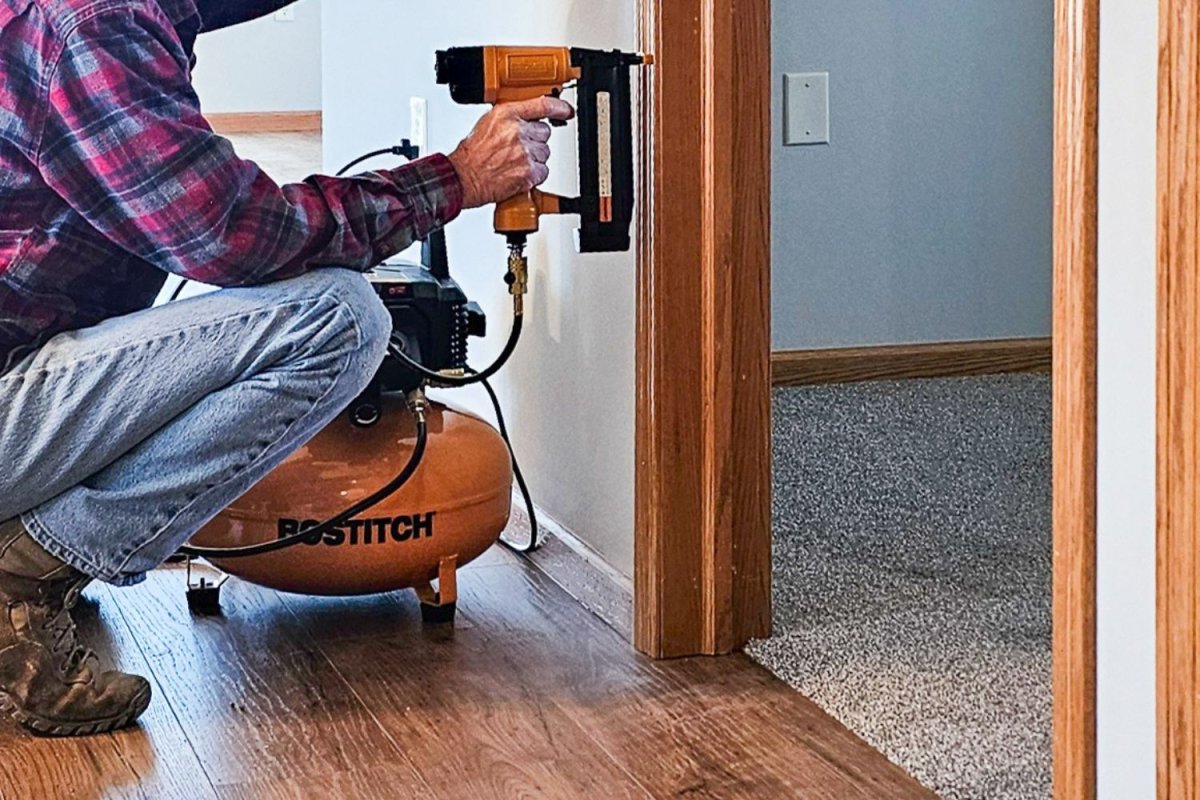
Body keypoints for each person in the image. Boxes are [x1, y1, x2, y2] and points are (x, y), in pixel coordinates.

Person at [0, 0, 573, 736]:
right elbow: (234, 236)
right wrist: (456, 178)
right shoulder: (93, 21)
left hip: (25, 367)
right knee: (337, 317)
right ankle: (27, 571)